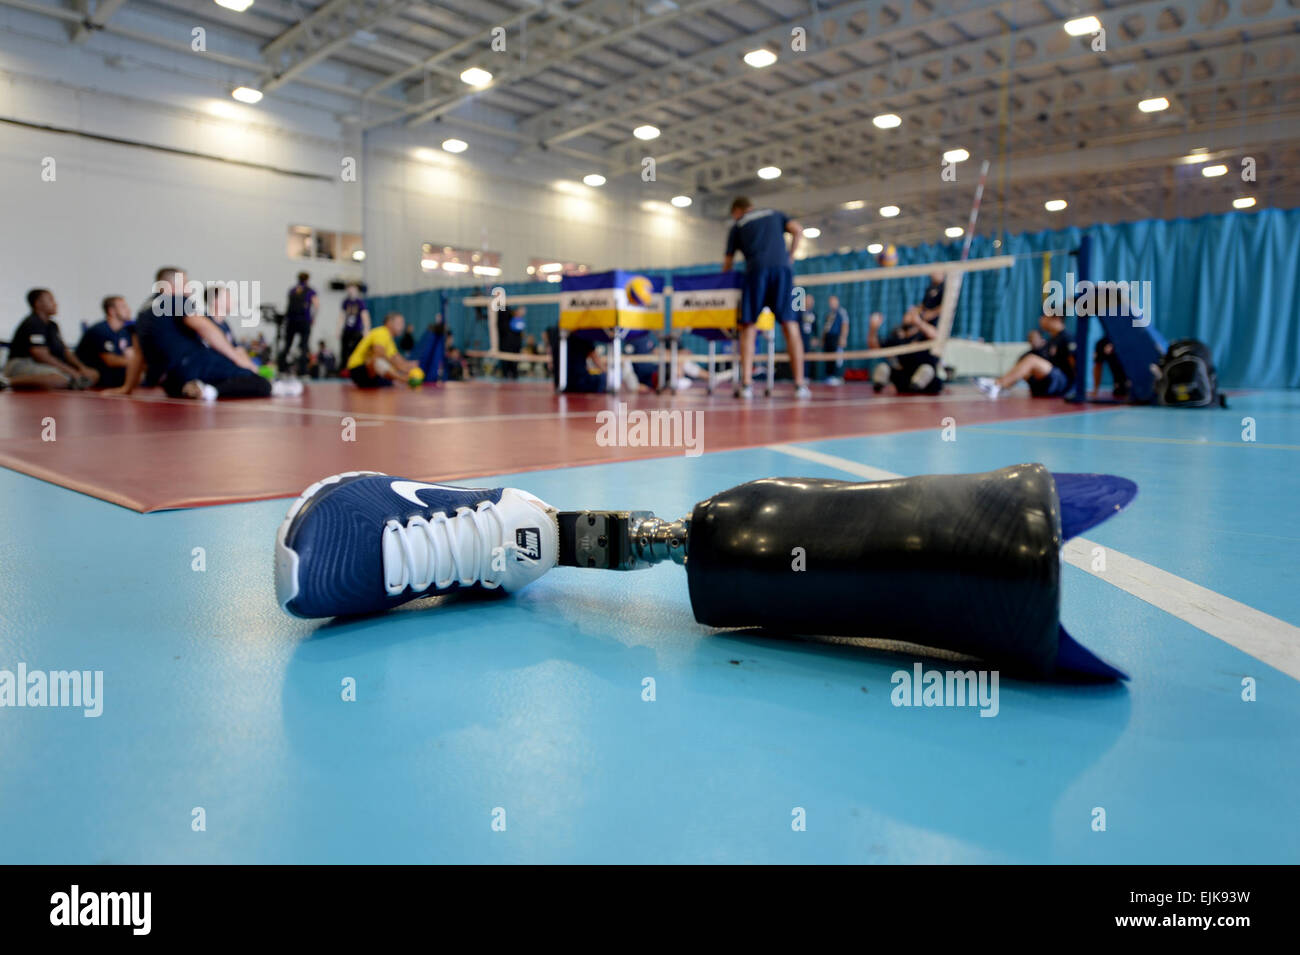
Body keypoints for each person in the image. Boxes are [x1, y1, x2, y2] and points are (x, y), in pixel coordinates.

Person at [113, 266, 298, 400]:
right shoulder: (173, 299)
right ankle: (217, 389)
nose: (188, 289)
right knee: (260, 383)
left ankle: (203, 389)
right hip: (191, 365)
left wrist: (127, 388)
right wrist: (236, 356)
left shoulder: (143, 311)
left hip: (170, 383)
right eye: (184, 283)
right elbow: (203, 326)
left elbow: (138, 354)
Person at [722, 196, 810, 399]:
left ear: (737, 211)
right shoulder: (774, 213)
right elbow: (797, 230)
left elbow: (728, 263)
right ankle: (799, 385)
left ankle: (746, 385)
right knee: (790, 324)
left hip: (756, 272)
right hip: (782, 271)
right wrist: (791, 256)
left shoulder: (737, 225)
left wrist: (723, 283)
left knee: (749, 327)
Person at [3, 289, 98, 390]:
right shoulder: (33, 322)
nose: (55, 303)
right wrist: (71, 371)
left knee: (92, 374)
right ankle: (6, 382)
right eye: (51, 300)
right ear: (38, 303)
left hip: (45, 365)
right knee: (58, 379)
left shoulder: (53, 325)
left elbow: (65, 351)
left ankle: (70, 382)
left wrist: (81, 367)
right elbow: (40, 355)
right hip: (22, 363)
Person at [977, 313, 1075, 399]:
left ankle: (996, 385)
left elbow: (1075, 365)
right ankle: (1003, 387)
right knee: (1026, 358)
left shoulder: (1067, 338)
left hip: (1063, 384)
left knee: (1031, 360)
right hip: (1048, 382)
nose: (1041, 319)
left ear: (1056, 318)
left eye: (1045, 316)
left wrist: (1072, 390)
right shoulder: (1051, 340)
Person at [868, 306, 942, 395]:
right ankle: (878, 387)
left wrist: (918, 322)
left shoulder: (924, 334)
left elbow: (936, 336)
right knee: (882, 367)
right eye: (908, 314)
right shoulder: (898, 337)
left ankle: (916, 386)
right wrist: (873, 329)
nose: (909, 315)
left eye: (912, 314)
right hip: (904, 378)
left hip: (926, 381)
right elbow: (875, 347)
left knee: (927, 369)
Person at [345, 312, 424, 388]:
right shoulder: (381, 332)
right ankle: (403, 379)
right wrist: (402, 374)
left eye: (403, 323)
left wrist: (409, 366)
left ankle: (403, 378)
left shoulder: (390, 340)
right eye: (399, 323)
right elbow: (379, 353)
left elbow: (396, 358)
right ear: (389, 323)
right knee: (378, 359)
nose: (402, 327)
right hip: (357, 369)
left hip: (370, 375)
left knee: (388, 381)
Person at [74, 295, 135, 389]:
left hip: (113, 377)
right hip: (94, 376)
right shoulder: (100, 330)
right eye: (123, 307)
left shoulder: (125, 332)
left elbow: (130, 355)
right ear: (111, 311)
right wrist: (138, 363)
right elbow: (110, 361)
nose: (128, 310)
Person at [279, 271, 317, 371]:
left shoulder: (292, 290)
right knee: (304, 346)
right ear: (307, 279)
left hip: (291, 321)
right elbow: (316, 305)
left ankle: (282, 368)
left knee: (287, 345)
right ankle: (303, 370)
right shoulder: (310, 291)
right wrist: (313, 318)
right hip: (304, 321)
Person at [338, 285, 369, 368]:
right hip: (347, 329)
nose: (351, 291)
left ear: (356, 291)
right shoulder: (346, 302)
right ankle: (344, 368)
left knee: (355, 349)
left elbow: (365, 316)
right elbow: (342, 316)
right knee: (344, 350)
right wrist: (339, 330)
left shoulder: (360, 302)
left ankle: (354, 366)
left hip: (356, 330)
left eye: (353, 289)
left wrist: (366, 329)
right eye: (349, 289)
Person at [821, 294, 850, 384]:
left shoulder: (842, 312)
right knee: (828, 357)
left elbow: (845, 325)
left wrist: (843, 338)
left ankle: (836, 376)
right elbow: (825, 328)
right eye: (830, 302)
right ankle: (829, 376)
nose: (832, 303)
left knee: (836, 358)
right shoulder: (828, 313)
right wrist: (823, 339)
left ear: (837, 302)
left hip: (836, 337)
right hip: (828, 338)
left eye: (833, 301)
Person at [497, 306, 525, 379]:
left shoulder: (516, 320)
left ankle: (512, 373)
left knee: (513, 362)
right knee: (506, 361)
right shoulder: (505, 315)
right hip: (506, 343)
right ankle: (507, 373)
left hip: (513, 344)